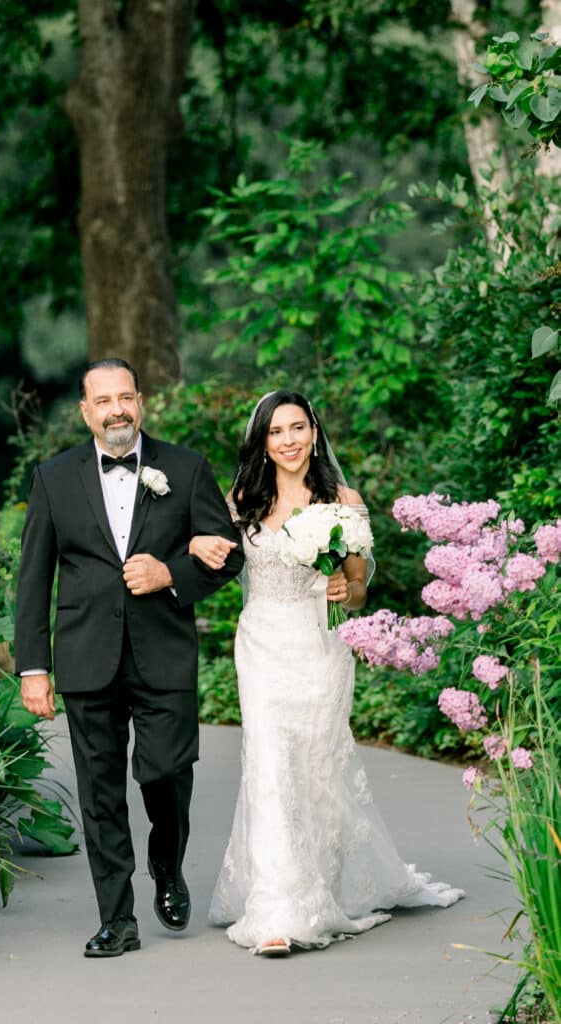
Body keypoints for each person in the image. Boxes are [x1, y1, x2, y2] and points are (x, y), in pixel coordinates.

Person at [191, 390, 464, 956]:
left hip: (321, 646)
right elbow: (209, 552)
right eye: (275, 431)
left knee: (317, 769)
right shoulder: (240, 499)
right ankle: (277, 910)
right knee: (269, 763)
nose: (288, 440)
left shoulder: (343, 500)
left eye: (297, 428)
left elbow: (359, 585)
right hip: (262, 641)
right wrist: (195, 540)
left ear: (314, 432)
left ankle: (326, 884)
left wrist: (349, 587)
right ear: (262, 442)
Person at [14, 358, 244, 958]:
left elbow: (231, 556)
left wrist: (172, 571)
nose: (117, 410)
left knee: (166, 771)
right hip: (87, 656)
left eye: (126, 398)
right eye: (104, 401)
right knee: (100, 792)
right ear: (86, 411)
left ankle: (167, 865)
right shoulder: (53, 478)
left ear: (140, 401)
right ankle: (117, 918)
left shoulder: (186, 469)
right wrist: (33, 667)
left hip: (163, 649)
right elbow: (33, 580)